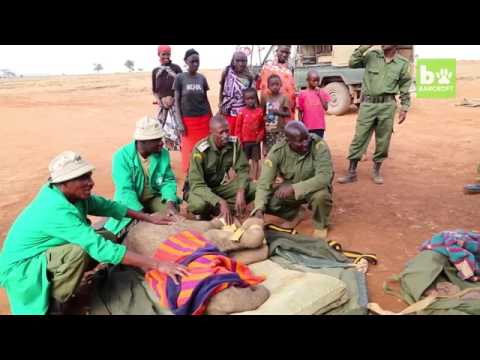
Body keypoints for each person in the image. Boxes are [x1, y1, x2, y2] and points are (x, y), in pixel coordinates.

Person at [0, 151, 189, 315]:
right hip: (22, 270)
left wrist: (148, 217)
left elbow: (107, 206)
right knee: (83, 250)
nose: (90, 182)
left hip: (44, 255)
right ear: (62, 183)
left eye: (89, 176)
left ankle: (68, 280)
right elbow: (99, 249)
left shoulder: (71, 195)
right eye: (82, 178)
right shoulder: (56, 210)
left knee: (106, 236)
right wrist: (158, 264)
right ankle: (56, 302)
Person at [337, 45, 412, 185]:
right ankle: (351, 172)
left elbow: (405, 86)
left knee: (383, 140)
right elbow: (352, 63)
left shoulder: (402, 64)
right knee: (359, 138)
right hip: (368, 105)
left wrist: (405, 107)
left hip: (387, 106)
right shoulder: (372, 56)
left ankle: (377, 170)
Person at [253, 121, 334, 239]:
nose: (305, 143)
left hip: (314, 187)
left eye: (306, 138)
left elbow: (324, 177)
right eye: (300, 141)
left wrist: (294, 188)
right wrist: (259, 210)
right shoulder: (277, 152)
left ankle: (321, 225)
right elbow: (263, 184)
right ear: (288, 141)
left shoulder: (318, 146)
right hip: (291, 188)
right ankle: (296, 214)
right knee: (269, 203)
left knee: (321, 196)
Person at [104, 116, 180, 236]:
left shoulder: (163, 154)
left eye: (161, 138)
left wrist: (170, 202)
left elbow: (168, 181)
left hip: (153, 197)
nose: (161, 143)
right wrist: (143, 215)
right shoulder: (121, 157)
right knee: (119, 233)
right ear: (142, 141)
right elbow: (125, 191)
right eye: (156, 140)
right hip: (129, 202)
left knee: (176, 213)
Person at [185, 114, 256, 225]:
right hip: (198, 189)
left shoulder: (234, 144)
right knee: (199, 205)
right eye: (221, 132)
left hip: (217, 187)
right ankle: (215, 209)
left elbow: (242, 169)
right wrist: (220, 202)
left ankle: (222, 208)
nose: (226, 136)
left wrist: (240, 191)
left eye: (227, 131)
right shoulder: (200, 150)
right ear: (211, 133)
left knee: (253, 188)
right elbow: (197, 184)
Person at [174, 48, 212, 173]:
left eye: (197, 62)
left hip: (204, 120)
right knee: (189, 151)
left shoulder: (202, 78)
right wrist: (180, 123)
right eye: (192, 61)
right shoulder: (180, 78)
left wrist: (211, 119)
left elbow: (206, 100)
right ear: (186, 61)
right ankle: (191, 179)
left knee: (205, 148)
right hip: (188, 122)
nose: (195, 64)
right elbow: (177, 102)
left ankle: (205, 176)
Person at [152, 45, 183, 150]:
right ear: (158, 55)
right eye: (163, 54)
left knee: (180, 131)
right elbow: (154, 91)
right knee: (158, 132)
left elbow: (182, 86)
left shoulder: (176, 68)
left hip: (176, 106)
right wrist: (159, 101)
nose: (166, 56)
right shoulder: (155, 71)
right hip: (162, 107)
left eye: (168, 54)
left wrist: (174, 99)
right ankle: (162, 156)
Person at [219, 51, 255, 134]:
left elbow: (252, 94)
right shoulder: (227, 72)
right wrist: (221, 105)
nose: (241, 63)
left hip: (243, 111)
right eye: (238, 61)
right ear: (233, 61)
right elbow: (221, 90)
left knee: (242, 136)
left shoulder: (249, 76)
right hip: (228, 111)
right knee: (230, 135)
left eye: (244, 61)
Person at [257, 45, 296, 119]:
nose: (284, 54)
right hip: (273, 110)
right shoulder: (268, 67)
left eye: (287, 53)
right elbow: (264, 90)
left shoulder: (289, 69)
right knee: (274, 128)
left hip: (287, 110)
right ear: (276, 51)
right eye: (282, 51)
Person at [234, 88, 265, 180]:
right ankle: (245, 178)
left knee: (255, 160)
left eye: (252, 98)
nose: (250, 101)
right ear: (244, 100)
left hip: (256, 141)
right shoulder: (241, 112)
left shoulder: (259, 111)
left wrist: (260, 136)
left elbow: (262, 126)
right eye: (248, 99)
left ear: (256, 99)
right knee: (245, 161)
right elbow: (238, 128)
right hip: (244, 142)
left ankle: (254, 178)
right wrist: (239, 140)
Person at [297, 70, 331, 138]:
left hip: (319, 126)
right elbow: (300, 112)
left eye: (318, 81)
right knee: (308, 146)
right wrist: (301, 126)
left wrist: (319, 95)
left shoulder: (322, 92)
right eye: (314, 81)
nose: (316, 83)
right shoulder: (303, 94)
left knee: (318, 145)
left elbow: (326, 107)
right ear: (307, 80)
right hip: (307, 127)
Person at [261, 74, 290, 152]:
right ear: (268, 86)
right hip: (269, 130)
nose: (275, 86)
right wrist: (264, 118)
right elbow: (262, 112)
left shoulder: (284, 97)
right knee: (271, 151)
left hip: (281, 129)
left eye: (277, 84)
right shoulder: (265, 97)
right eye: (272, 85)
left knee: (280, 150)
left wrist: (278, 112)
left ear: (281, 85)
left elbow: (288, 113)